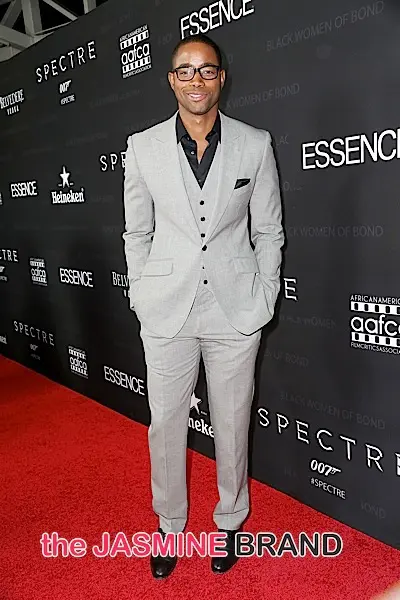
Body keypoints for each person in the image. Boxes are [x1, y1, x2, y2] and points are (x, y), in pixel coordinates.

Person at [122, 32, 284, 578]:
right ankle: (170, 525)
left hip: (235, 310)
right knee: (165, 423)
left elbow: (269, 230)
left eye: (207, 69)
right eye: (186, 70)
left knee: (233, 421)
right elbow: (136, 232)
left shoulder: (254, 144)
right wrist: (142, 290)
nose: (197, 79)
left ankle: (230, 521)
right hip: (166, 308)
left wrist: (265, 292)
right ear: (172, 80)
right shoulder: (142, 147)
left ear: (221, 78)